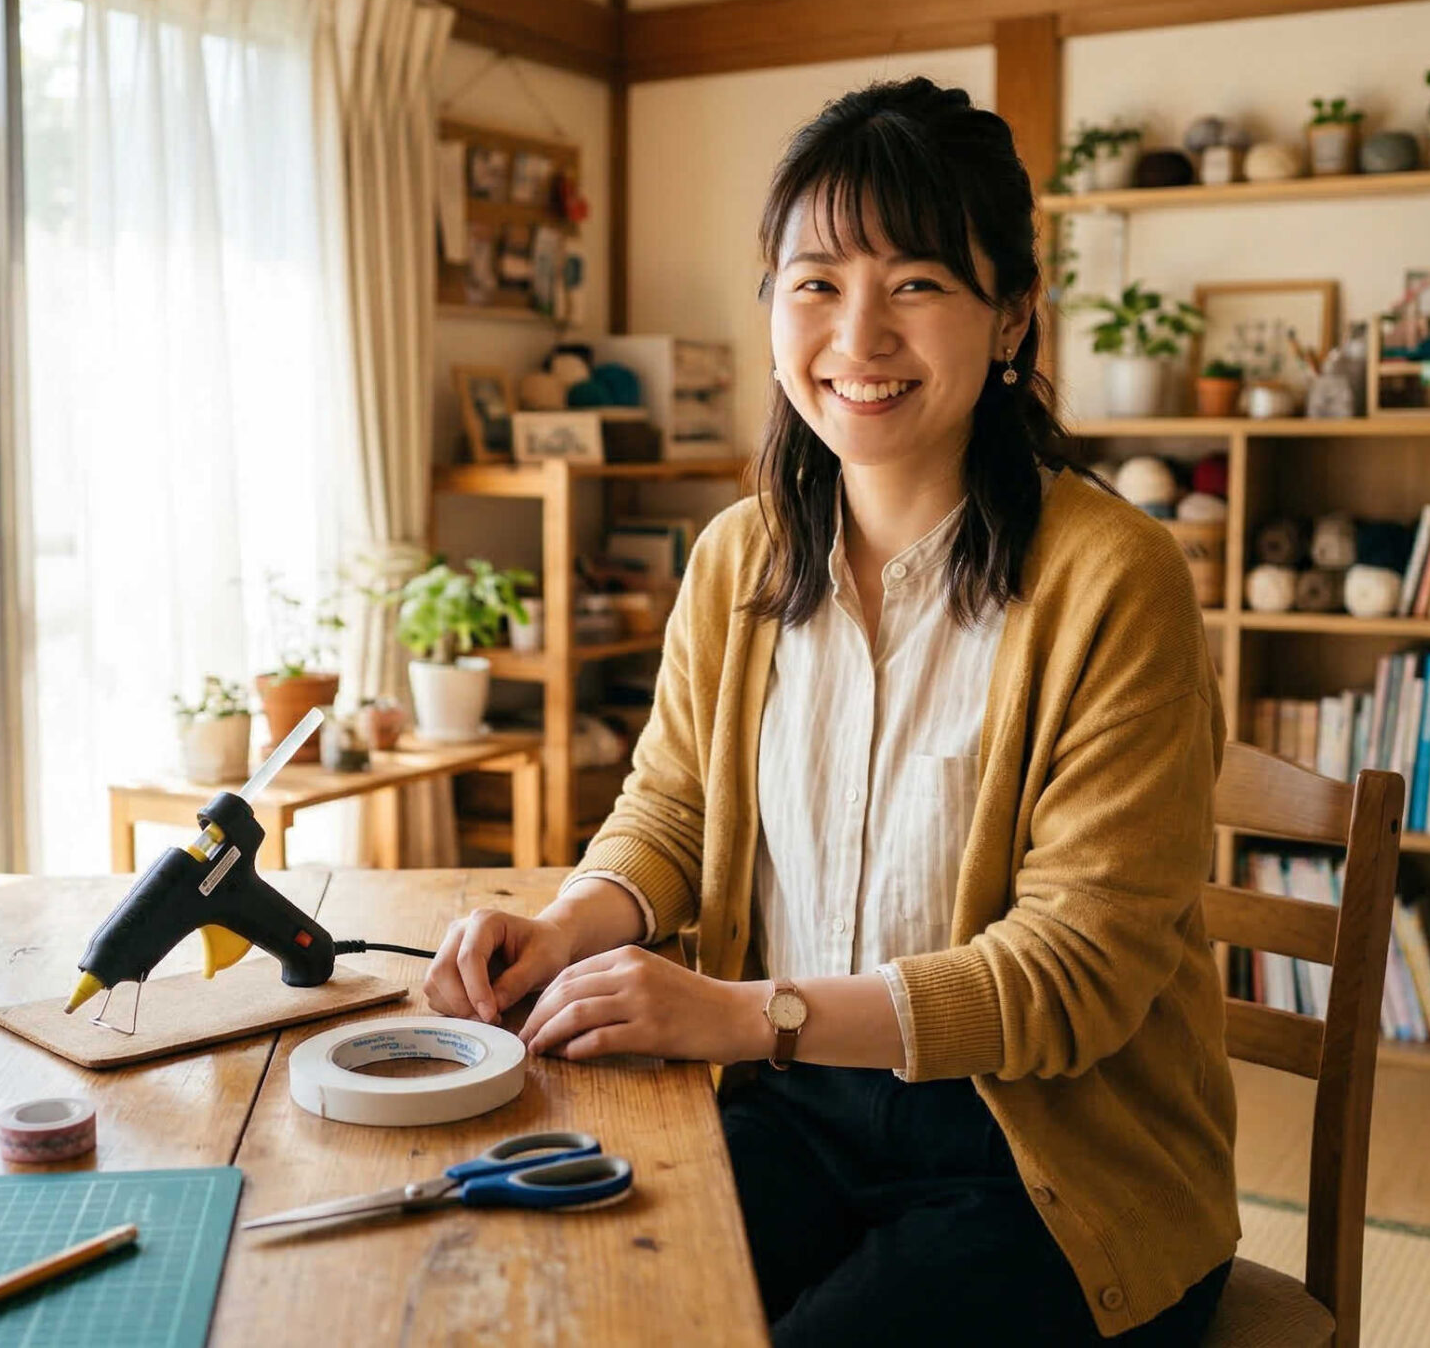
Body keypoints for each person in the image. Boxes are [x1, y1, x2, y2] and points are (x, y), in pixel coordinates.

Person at [422, 77, 1236, 1345]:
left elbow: (1077, 971)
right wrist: (571, 923)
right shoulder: (740, 555)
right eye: (815, 282)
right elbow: (674, 809)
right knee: (572, 1297)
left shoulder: (1112, 577)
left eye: (916, 283)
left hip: (1041, 1166)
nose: (857, 335)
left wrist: (750, 1014)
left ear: (1013, 315)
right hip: (796, 1110)